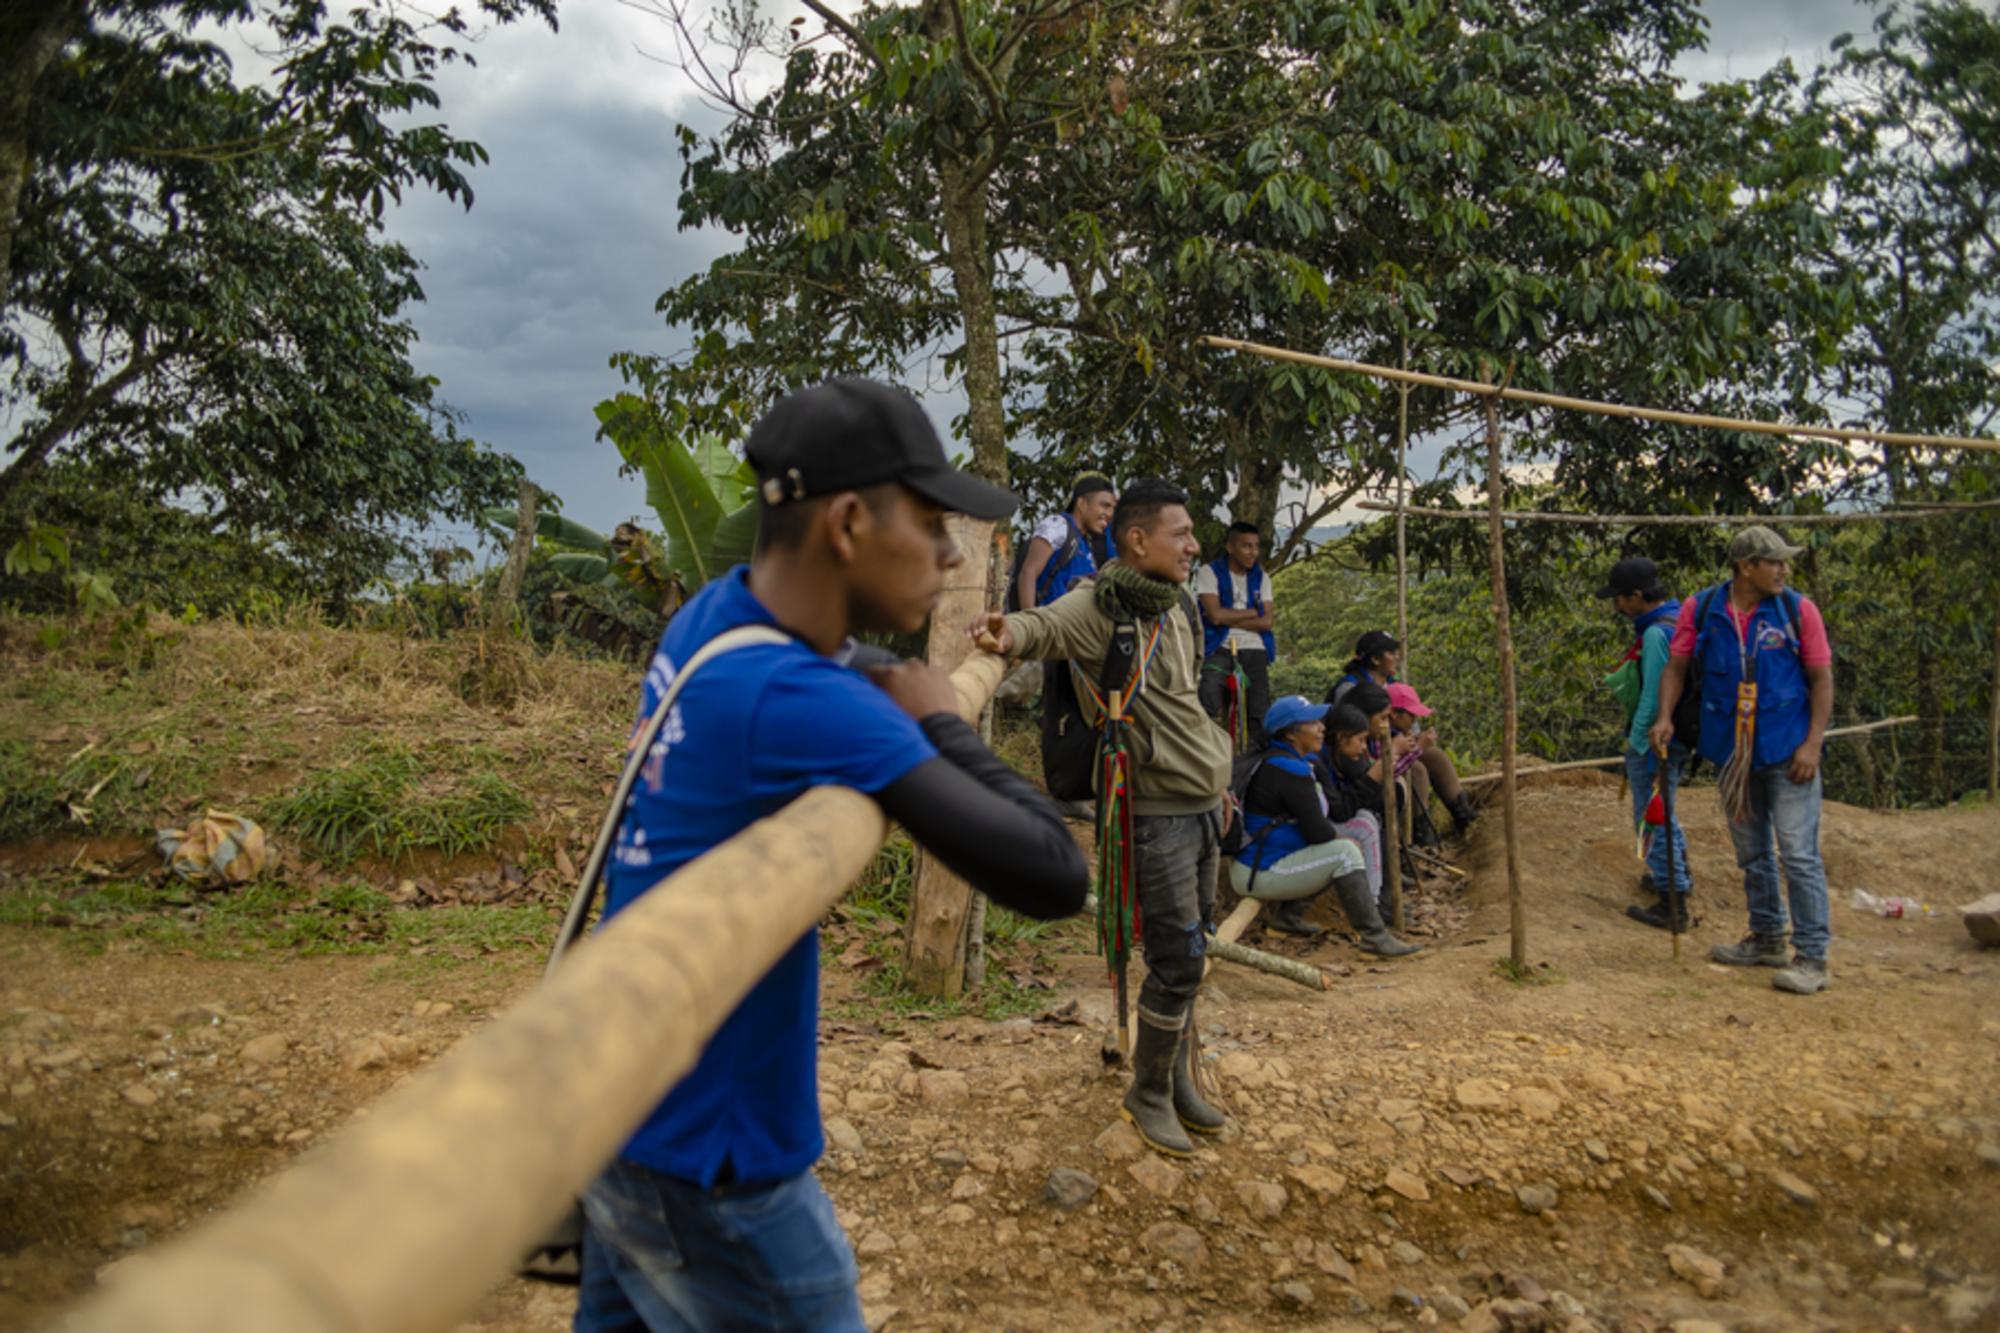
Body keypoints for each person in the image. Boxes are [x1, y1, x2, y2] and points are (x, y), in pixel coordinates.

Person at [577, 378, 1090, 1332]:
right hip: (720, 1157)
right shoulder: (802, 699)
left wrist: (891, 682)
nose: (949, 555)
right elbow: (1055, 872)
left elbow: (847, 663)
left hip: (624, 1117)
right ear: (849, 522)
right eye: (933, 524)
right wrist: (950, 723)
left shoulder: (716, 619)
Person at [973, 478, 1232, 1160]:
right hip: (1157, 810)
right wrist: (1005, 631)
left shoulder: (1175, 605)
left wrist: (1219, 775)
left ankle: (1176, 1077)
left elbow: (1186, 698)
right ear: (1138, 541)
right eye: (1181, 534)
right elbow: (1043, 626)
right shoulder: (1099, 603)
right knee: (1177, 958)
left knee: (1194, 947)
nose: (1193, 545)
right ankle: (1148, 1093)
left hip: (1205, 800)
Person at [1651, 525, 1835, 996]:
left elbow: (1821, 678)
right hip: (1734, 754)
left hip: (1787, 751)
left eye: (1784, 562)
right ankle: (1767, 935)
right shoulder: (1704, 609)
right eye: (1774, 562)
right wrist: (1665, 716)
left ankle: (1812, 956)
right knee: (1752, 851)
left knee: (1797, 853)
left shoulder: (1797, 610)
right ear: (1745, 566)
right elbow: (1676, 665)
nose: (1783, 570)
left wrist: (1813, 744)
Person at [1232, 696, 1418, 955]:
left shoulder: (1282, 761)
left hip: (1264, 864)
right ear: (1291, 734)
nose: (1321, 728)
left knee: (1339, 847)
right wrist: (1342, 840)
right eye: (1312, 723)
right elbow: (1318, 832)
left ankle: (1287, 920)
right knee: (1344, 853)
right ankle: (1374, 936)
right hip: (1261, 871)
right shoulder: (1289, 769)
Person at [1598, 556, 1692, 930]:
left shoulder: (1656, 634)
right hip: (1681, 735)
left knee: (1651, 816)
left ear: (1637, 596)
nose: (1618, 607)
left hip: (1657, 739)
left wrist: (1636, 743)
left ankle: (1673, 899)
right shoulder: (1679, 620)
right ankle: (1676, 876)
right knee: (1662, 809)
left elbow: (1653, 697)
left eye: (1620, 599)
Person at [1329, 633, 1478, 831]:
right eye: (1391, 652)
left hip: (1389, 747)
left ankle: (1466, 819)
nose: (1398, 657)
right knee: (1417, 770)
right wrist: (1405, 749)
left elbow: (1410, 729)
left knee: (1434, 756)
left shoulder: (1392, 684)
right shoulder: (1349, 688)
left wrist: (1414, 743)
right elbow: (1353, 731)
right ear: (1375, 659)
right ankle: (1419, 833)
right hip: (1367, 755)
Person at [1196, 521, 1275, 749]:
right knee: (1209, 698)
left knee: (1258, 710)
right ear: (1230, 547)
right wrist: (1252, 612)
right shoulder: (1209, 572)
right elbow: (1215, 617)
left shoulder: (1262, 578)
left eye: (1256, 546)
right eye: (1246, 546)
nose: (1253, 553)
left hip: (1255, 647)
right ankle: (1209, 754)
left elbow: (1267, 621)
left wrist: (1231, 615)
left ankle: (1256, 764)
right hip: (1218, 644)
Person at [1014, 471, 1116, 610]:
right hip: (1046, 627)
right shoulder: (1058, 525)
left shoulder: (1085, 543)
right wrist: (1030, 623)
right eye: (1105, 505)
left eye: (1112, 508)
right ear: (1082, 504)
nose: (1110, 514)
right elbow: (1028, 572)